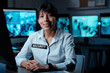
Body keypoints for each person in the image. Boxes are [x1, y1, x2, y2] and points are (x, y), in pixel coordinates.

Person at [15, 3, 76, 72]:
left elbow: (71, 63)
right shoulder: (33, 36)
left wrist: (46, 67)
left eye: (50, 16)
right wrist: (26, 64)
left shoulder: (67, 37)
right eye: (42, 16)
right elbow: (19, 57)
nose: (45, 20)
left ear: (56, 18)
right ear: (38, 20)